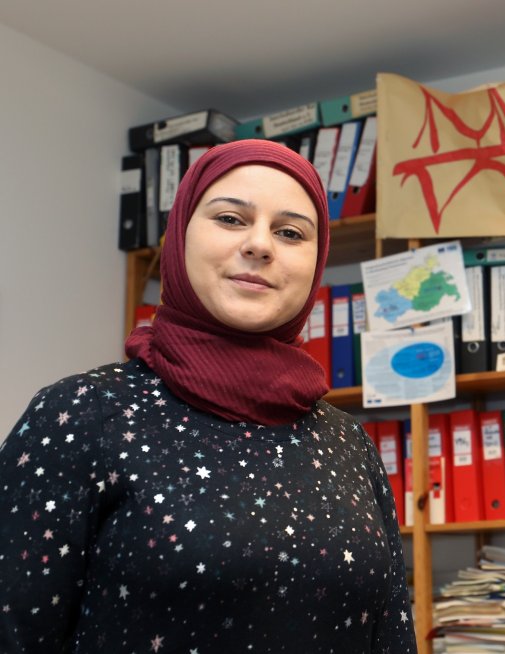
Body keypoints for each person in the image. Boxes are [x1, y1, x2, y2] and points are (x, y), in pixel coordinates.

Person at [0, 140, 415, 653]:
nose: (260, 245)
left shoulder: (348, 441)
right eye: (231, 219)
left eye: (290, 232)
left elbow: (391, 635)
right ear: (179, 236)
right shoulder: (80, 415)